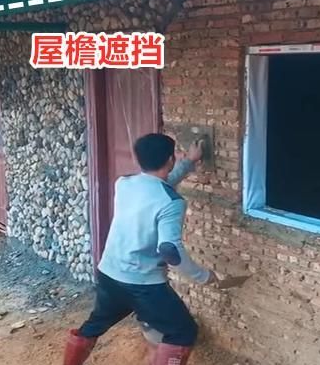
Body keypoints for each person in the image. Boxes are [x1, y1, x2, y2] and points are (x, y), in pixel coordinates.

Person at [63, 133, 218, 365]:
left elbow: (156, 187)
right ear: (170, 160)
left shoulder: (124, 184)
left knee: (96, 324)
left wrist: (188, 162)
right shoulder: (172, 202)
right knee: (183, 332)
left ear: (139, 159)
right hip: (143, 285)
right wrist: (203, 276)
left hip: (109, 274)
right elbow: (170, 251)